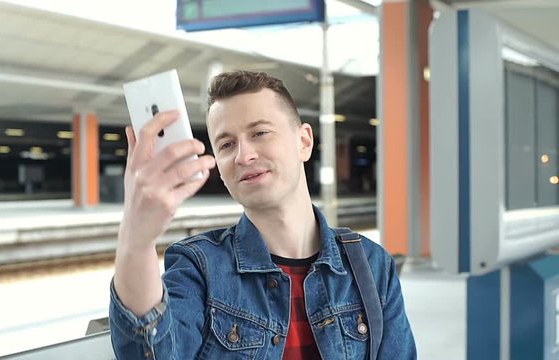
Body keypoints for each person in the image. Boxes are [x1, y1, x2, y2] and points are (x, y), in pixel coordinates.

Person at [109, 70, 416, 359]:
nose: (244, 155)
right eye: (227, 144)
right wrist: (136, 240)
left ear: (304, 141)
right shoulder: (200, 267)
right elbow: (154, 350)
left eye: (260, 133)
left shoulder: (371, 266)